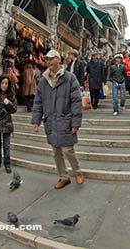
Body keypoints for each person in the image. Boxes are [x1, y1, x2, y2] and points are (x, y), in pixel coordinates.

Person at [31, 50, 84, 189]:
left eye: (51, 59)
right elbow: (38, 102)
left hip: (65, 120)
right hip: (51, 121)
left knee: (68, 150)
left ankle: (77, 171)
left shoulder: (70, 78)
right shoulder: (43, 80)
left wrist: (76, 122)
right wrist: (36, 120)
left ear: (59, 59)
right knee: (56, 152)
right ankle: (63, 176)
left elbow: (76, 102)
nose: (48, 62)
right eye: (46, 59)